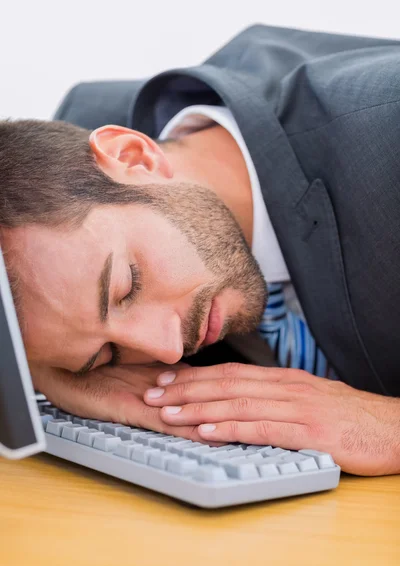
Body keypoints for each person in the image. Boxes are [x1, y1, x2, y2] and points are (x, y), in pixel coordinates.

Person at [1, 24, 399, 477]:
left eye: (128, 287)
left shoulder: (387, 134)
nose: (168, 350)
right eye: (107, 354)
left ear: (134, 157)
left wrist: (389, 428)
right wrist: (38, 368)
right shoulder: (45, 194)